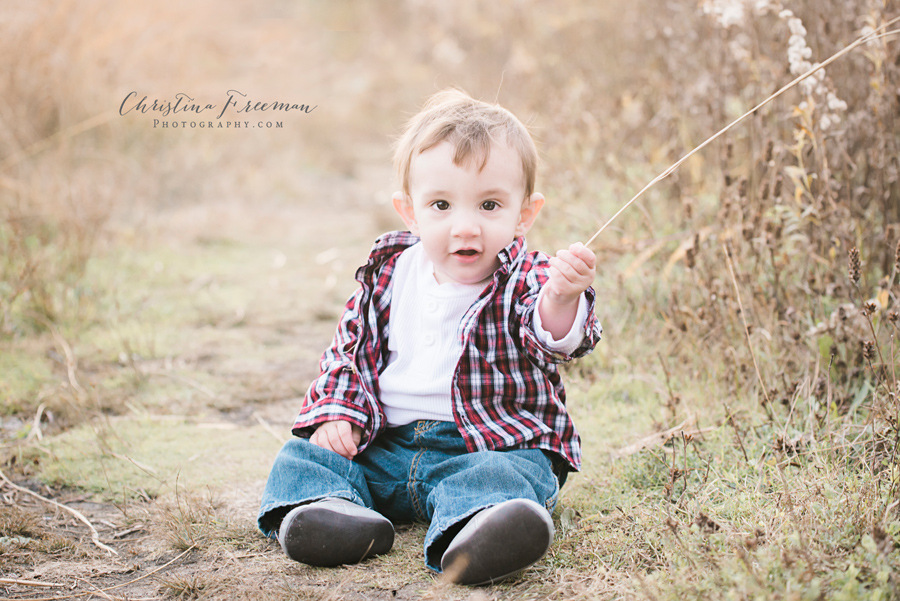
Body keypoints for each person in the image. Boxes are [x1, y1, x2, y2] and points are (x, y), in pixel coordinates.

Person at [257, 88, 602, 586]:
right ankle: (333, 514)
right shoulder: (389, 272)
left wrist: (563, 296)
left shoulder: (530, 277)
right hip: (384, 445)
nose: (465, 227)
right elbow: (350, 351)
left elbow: (551, 334)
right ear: (410, 211)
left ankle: (478, 530)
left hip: (482, 449)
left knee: (509, 475)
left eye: (489, 205)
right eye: (441, 204)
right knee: (308, 454)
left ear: (524, 213)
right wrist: (338, 413)